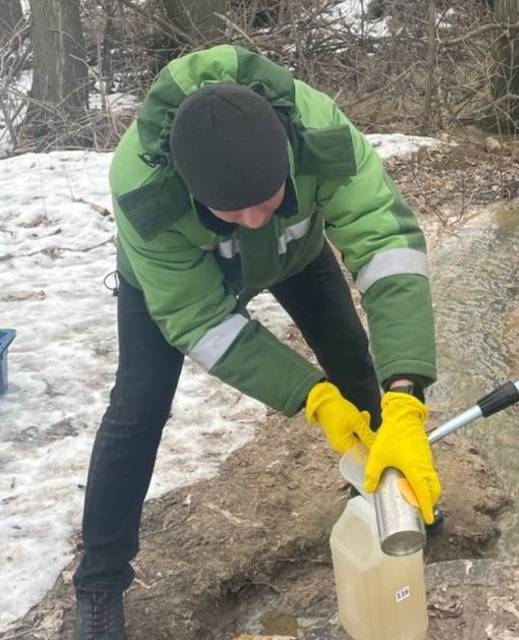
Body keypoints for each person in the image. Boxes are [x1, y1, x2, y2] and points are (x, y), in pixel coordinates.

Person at [72, 45, 442, 640]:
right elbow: (201, 321)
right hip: (180, 282)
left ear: (287, 158)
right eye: (230, 210)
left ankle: (387, 495)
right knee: (137, 409)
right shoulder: (143, 189)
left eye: (266, 202)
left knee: (353, 364)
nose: (251, 221)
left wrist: (406, 393)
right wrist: (308, 396)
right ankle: (99, 582)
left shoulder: (318, 130)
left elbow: (385, 246)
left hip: (298, 255)